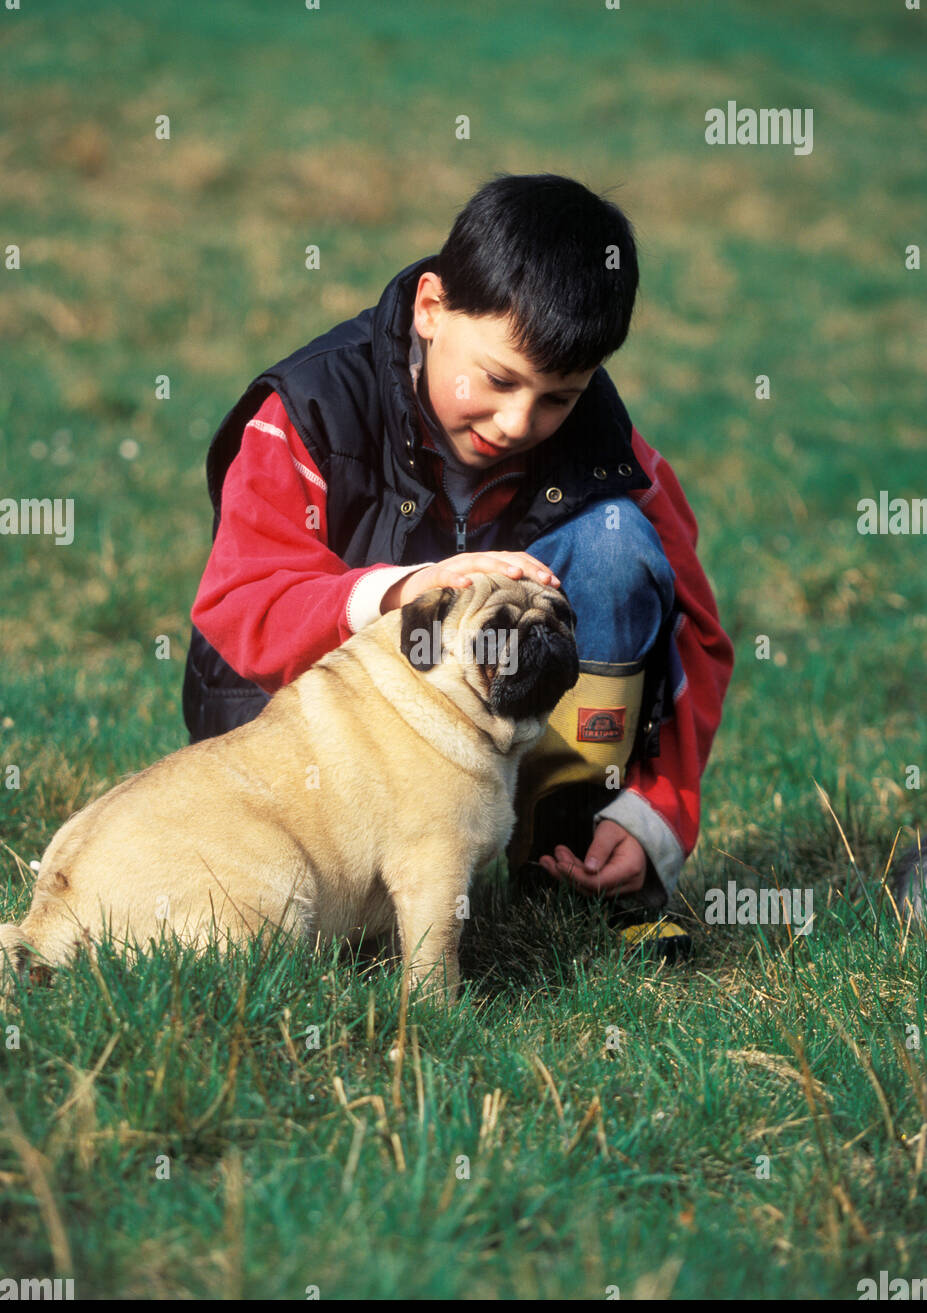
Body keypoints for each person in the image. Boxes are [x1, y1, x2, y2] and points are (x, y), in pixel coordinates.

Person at [182, 172, 734, 934]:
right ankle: (360, 896)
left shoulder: (610, 447)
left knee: (617, 545)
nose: (516, 421)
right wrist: (400, 592)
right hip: (305, 781)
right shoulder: (307, 411)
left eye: (557, 398)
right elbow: (236, 606)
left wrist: (654, 814)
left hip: (489, 751)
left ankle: (569, 859)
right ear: (432, 307)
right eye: (499, 379)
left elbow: (694, 634)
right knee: (302, 927)